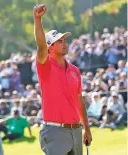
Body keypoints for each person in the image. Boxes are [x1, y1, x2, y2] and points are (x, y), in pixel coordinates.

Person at [33, 4, 92, 155]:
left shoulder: (75, 71)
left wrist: (86, 129)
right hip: (55, 132)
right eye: (60, 41)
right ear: (50, 47)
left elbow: (80, 102)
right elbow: (40, 46)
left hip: (76, 130)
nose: (65, 43)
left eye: (65, 40)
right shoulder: (44, 65)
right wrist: (37, 19)